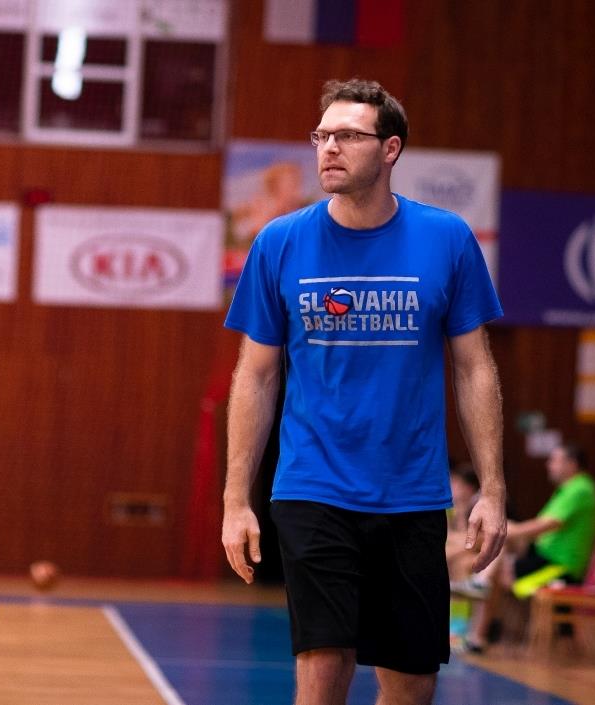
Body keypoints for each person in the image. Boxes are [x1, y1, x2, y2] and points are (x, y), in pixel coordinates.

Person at [221, 78, 507, 705]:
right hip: (313, 487)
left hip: (413, 493)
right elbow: (256, 375)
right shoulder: (278, 242)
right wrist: (236, 499)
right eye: (322, 136)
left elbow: (474, 368)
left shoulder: (447, 238)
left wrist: (492, 488)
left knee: (411, 685)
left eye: (348, 136)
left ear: (390, 149)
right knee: (324, 665)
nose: (329, 148)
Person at [465, 442, 595, 651]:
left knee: (500, 558)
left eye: (555, 460)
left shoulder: (580, 489)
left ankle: (478, 633)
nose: (549, 465)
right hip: (547, 557)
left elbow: (544, 525)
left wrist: (507, 529)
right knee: (502, 547)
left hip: (559, 566)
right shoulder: (570, 489)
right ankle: (480, 618)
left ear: (572, 464)